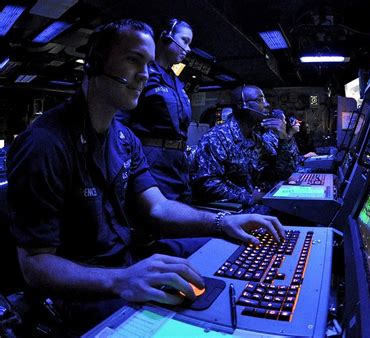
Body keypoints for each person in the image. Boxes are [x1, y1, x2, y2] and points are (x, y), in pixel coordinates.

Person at [6, 20, 284, 332]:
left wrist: (222, 222)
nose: (145, 74)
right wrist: (122, 279)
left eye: (149, 63)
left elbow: (158, 208)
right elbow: (35, 266)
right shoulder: (45, 143)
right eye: (133, 59)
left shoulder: (125, 139)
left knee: (228, 251)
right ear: (96, 63)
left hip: (127, 263)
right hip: (81, 289)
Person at [118, 18, 194, 203]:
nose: (188, 49)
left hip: (178, 163)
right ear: (166, 37)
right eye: (184, 40)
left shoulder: (176, 81)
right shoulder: (144, 74)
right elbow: (119, 120)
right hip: (152, 161)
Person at [190, 85, 296, 211]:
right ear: (242, 106)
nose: (267, 105)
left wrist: (284, 138)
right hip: (230, 211)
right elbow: (206, 184)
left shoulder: (255, 138)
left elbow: (282, 172)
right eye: (260, 100)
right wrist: (250, 197)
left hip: (252, 205)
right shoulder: (216, 138)